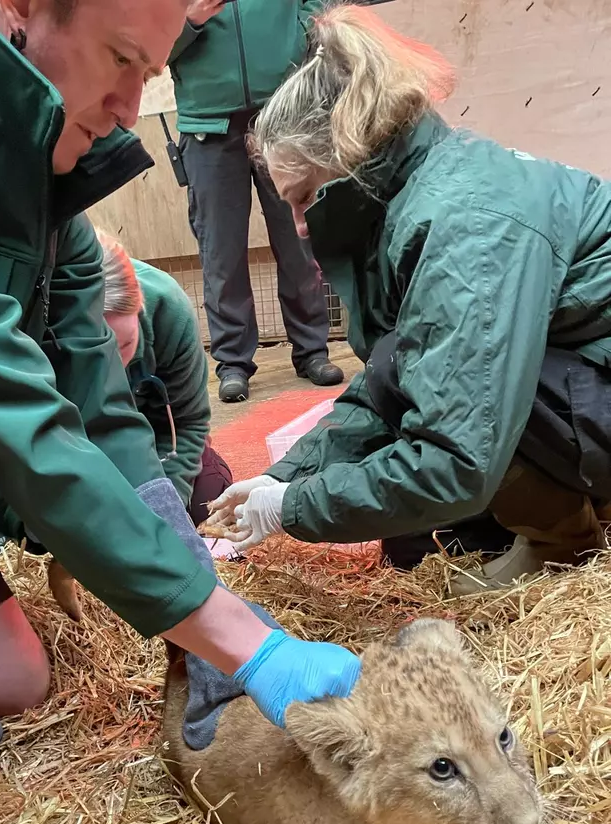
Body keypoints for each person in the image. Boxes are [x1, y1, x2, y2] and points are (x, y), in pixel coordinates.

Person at [0, 0, 362, 824]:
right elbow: (11, 415)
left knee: (9, 680)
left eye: (149, 75)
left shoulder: (51, 202)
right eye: (120, 59)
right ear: (14, 8)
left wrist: (197, 591)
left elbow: (100, 415)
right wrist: (247, 645)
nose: (131, 107)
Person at [205, 2, 611, 594]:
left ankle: (563, 544)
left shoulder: (463, 221)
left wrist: (293, 507)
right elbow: (384, 388)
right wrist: (284, 479)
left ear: (347, 161)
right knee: (413, 540)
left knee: (414, 385)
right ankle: (575, 505)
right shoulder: (420, 190)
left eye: (303, 198)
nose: (296, 226)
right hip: (590, 375)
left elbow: (454, 453)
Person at [167, 0, 345, 403]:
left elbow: (317, 7)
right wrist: (188, 22)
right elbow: (150, 47)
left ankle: (313, 350)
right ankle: (232, 362)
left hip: (284, 114)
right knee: (221, 253)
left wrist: (300, 36)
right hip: (206, 127)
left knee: (298, 241)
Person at [97, 231, 233, 525]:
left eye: (125, 345)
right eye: (100, 356)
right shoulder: (25, 323)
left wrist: (168, 509)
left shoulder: (167, 308)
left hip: (154, 446)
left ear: (140, 307)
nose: (116, 368)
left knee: (209, 503)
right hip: (81, 456)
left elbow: (189, 423)